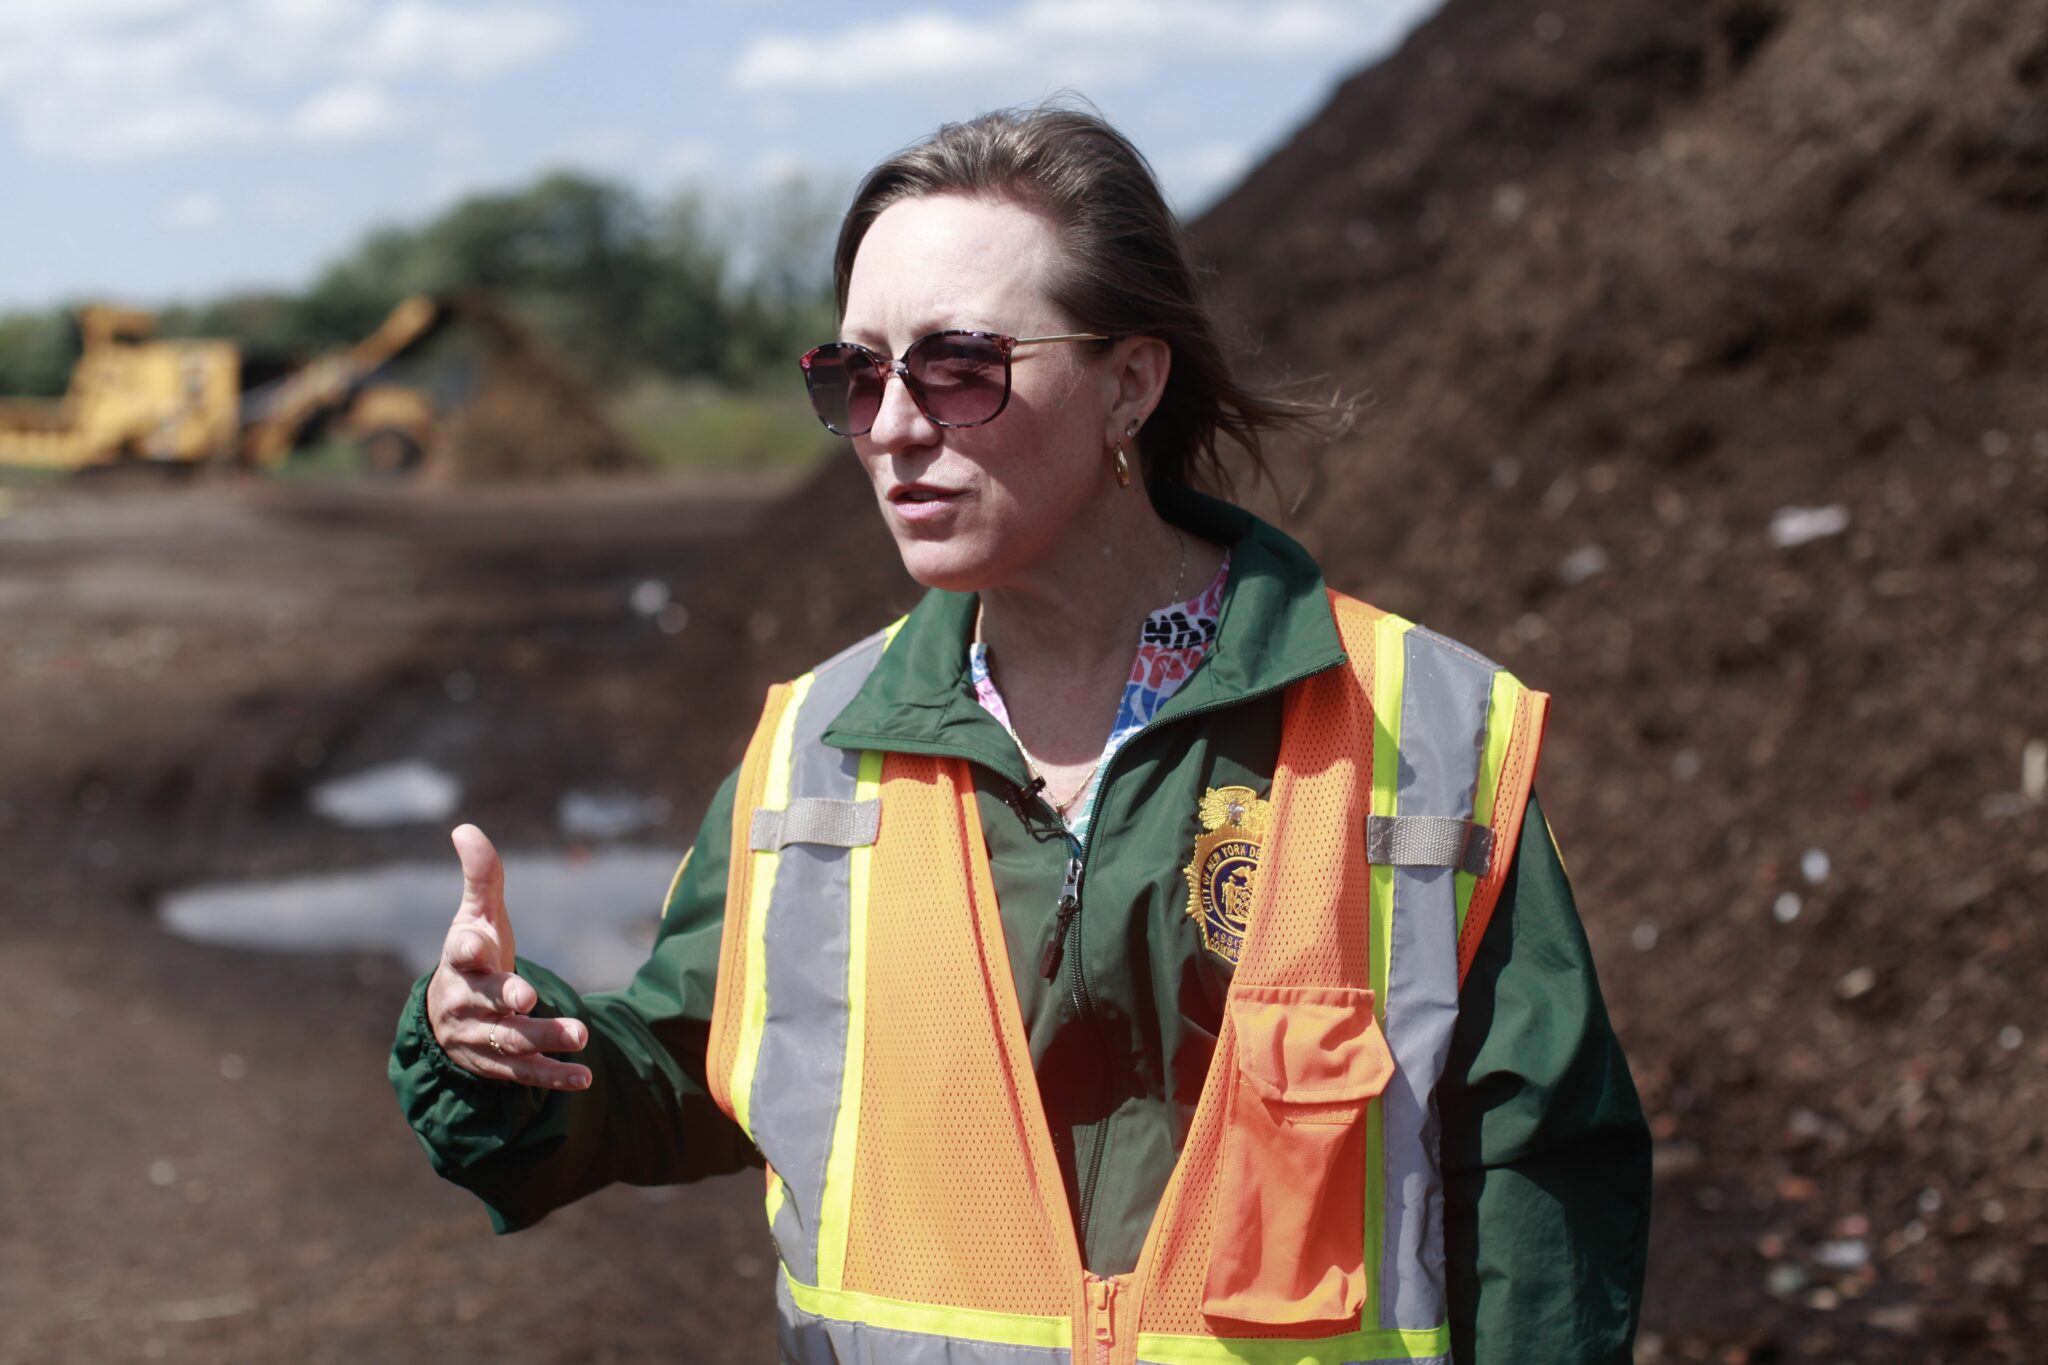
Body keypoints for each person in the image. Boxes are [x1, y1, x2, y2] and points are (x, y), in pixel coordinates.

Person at [391, 105, 1650, 1364]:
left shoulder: (1419, 736)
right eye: (855, 374)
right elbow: (686, 1069)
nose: (890, 426)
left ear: (1128, 385)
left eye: (958, 368)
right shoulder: (815, 752)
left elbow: (1543, 1207)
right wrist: (509, 1048)